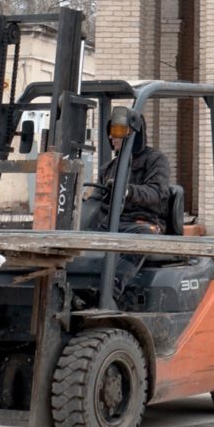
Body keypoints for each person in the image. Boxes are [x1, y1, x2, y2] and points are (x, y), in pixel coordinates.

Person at [80, 108, 171, 303]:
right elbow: (98, 198)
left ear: (134, 135)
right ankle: (78, 286)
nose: (112, 139)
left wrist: (128, 191)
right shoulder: (109, 168)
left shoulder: (155, 160)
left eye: (118, 136)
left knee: (140, 238)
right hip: (113, 221)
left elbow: (157, 193)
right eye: (111, 136)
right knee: (80, 231)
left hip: (143, 222)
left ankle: (108, 293)